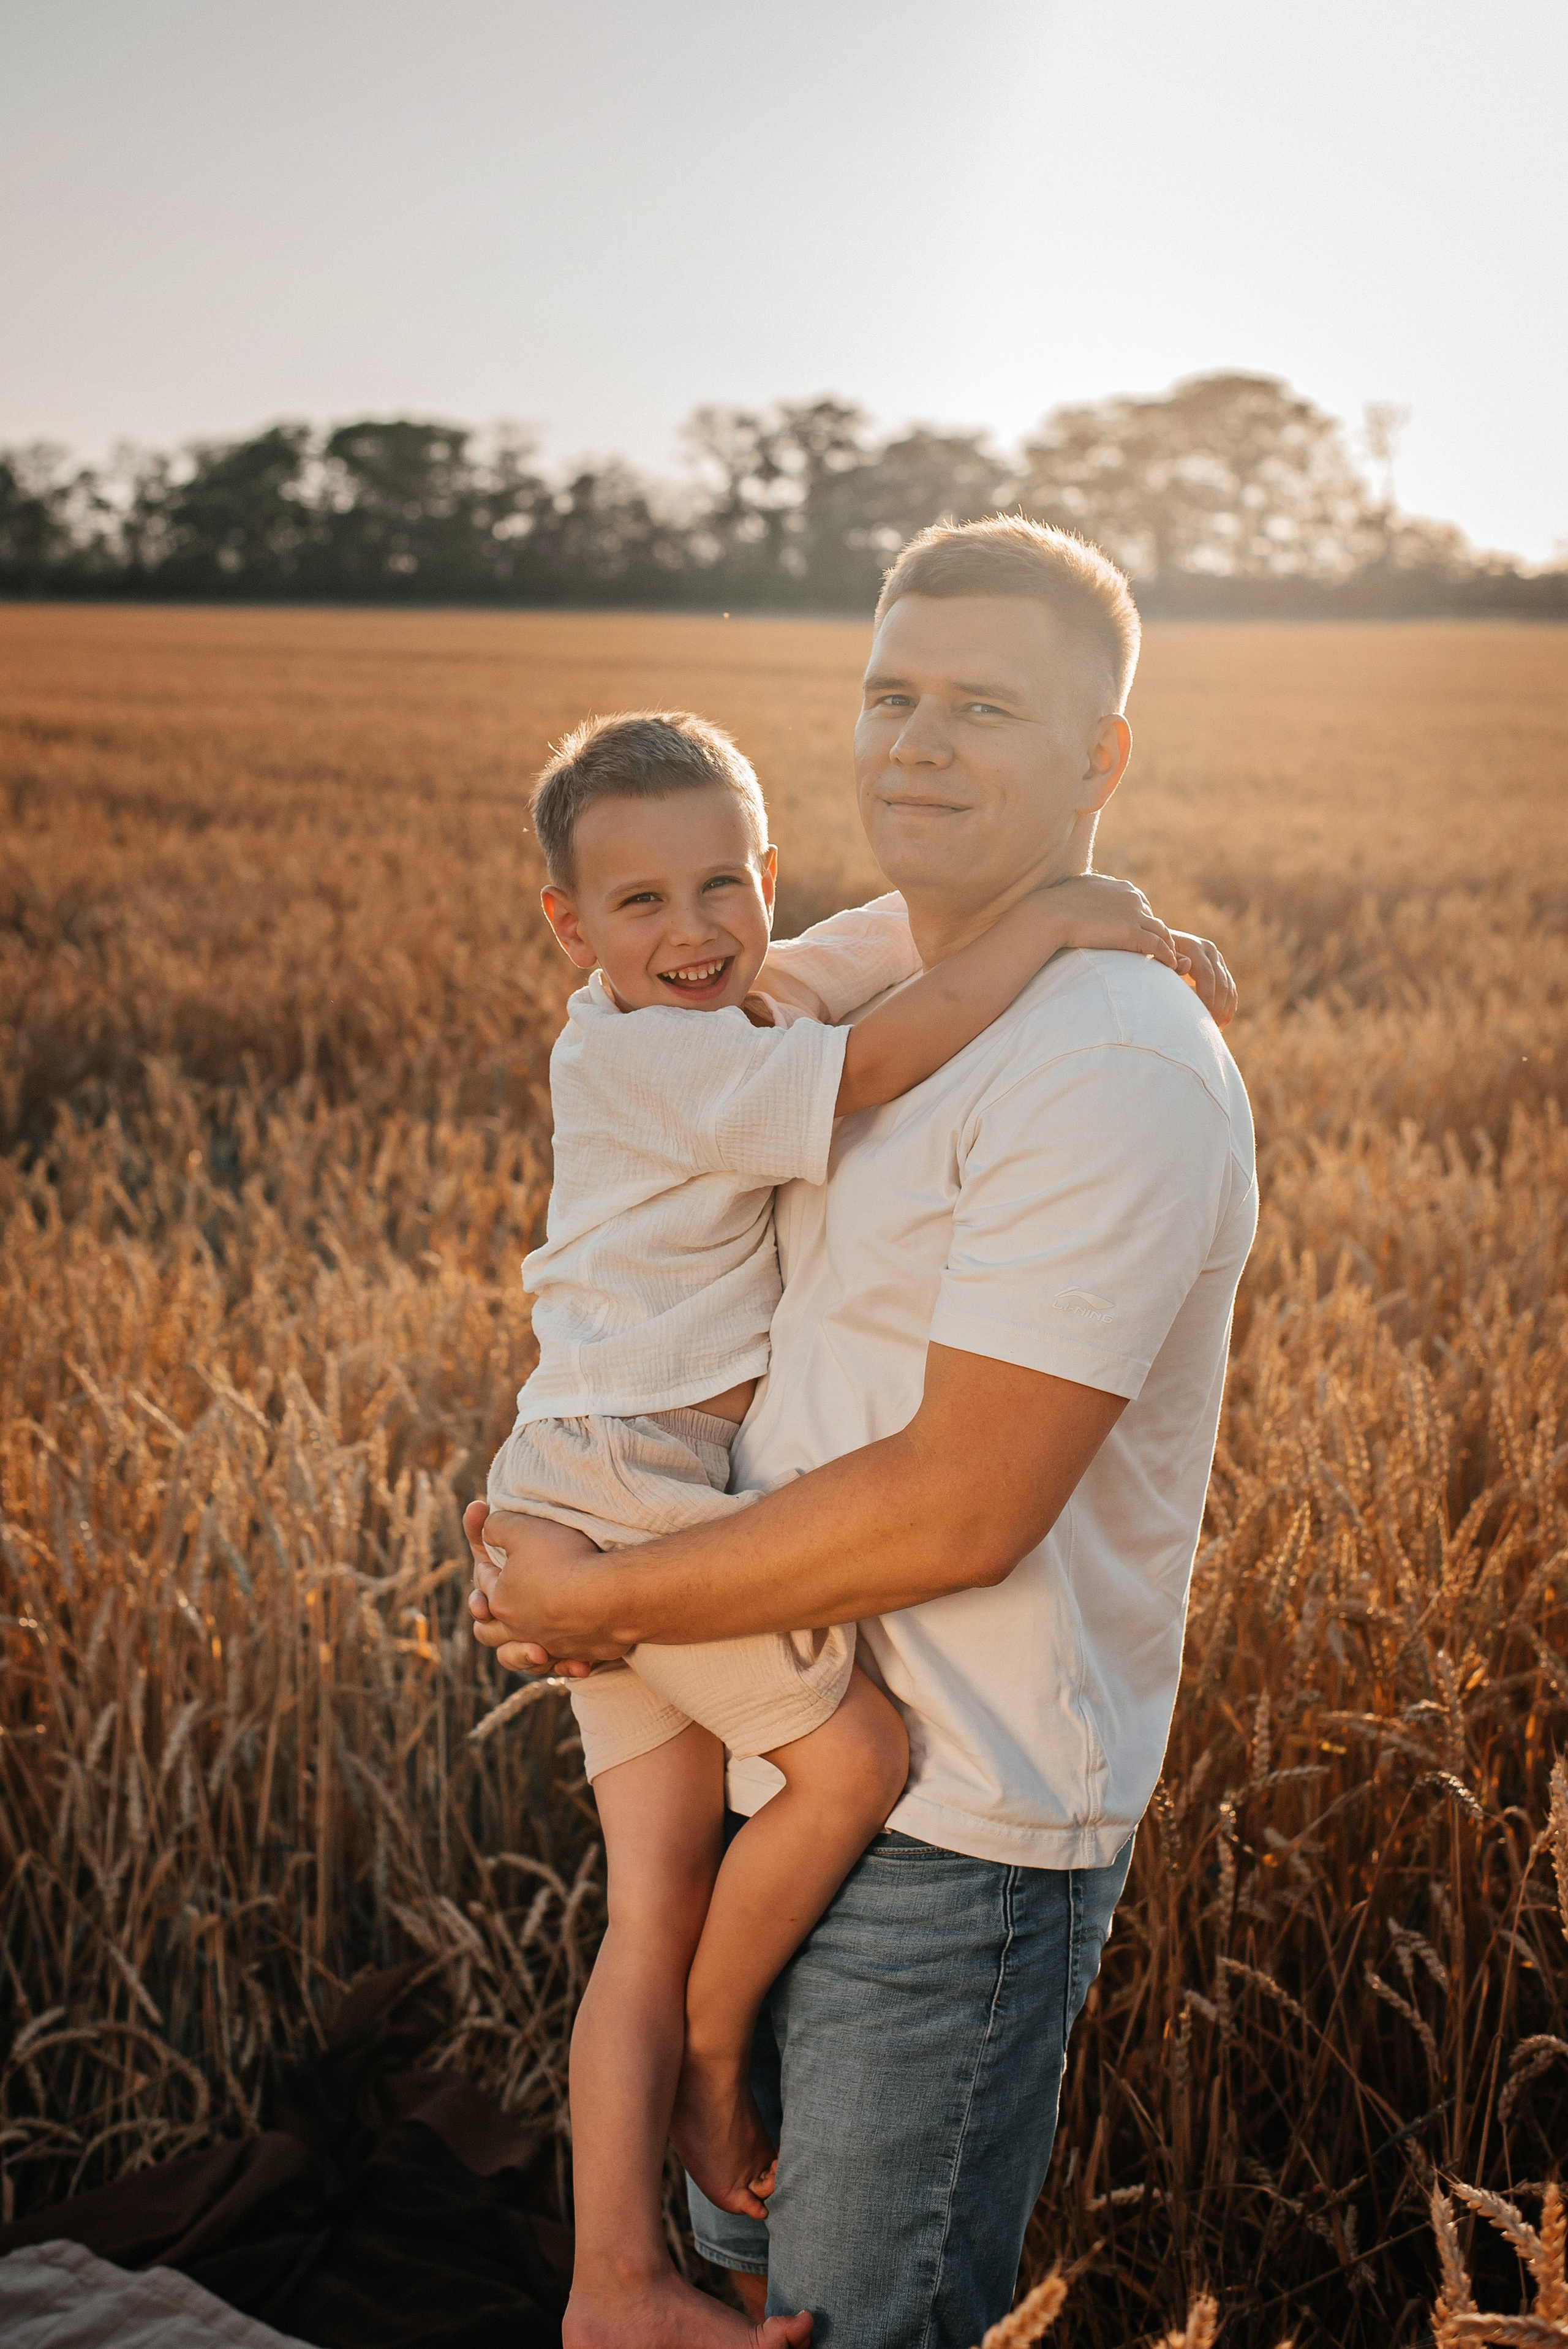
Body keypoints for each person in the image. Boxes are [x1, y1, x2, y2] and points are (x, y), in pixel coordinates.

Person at [470, 516, 1256, 2349]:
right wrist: (563, 1529)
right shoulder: (841, 970)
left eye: (982, 704)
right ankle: (618, 2283)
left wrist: (610, 1588)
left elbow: (965, 1504)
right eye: (891, 692)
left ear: (1100, 758)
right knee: (739, 2274)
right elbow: (763, 1029)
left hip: (952, 1816)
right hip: (784, 1724)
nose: (915, 740)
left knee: (845, 2322)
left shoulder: (1110, 1060)